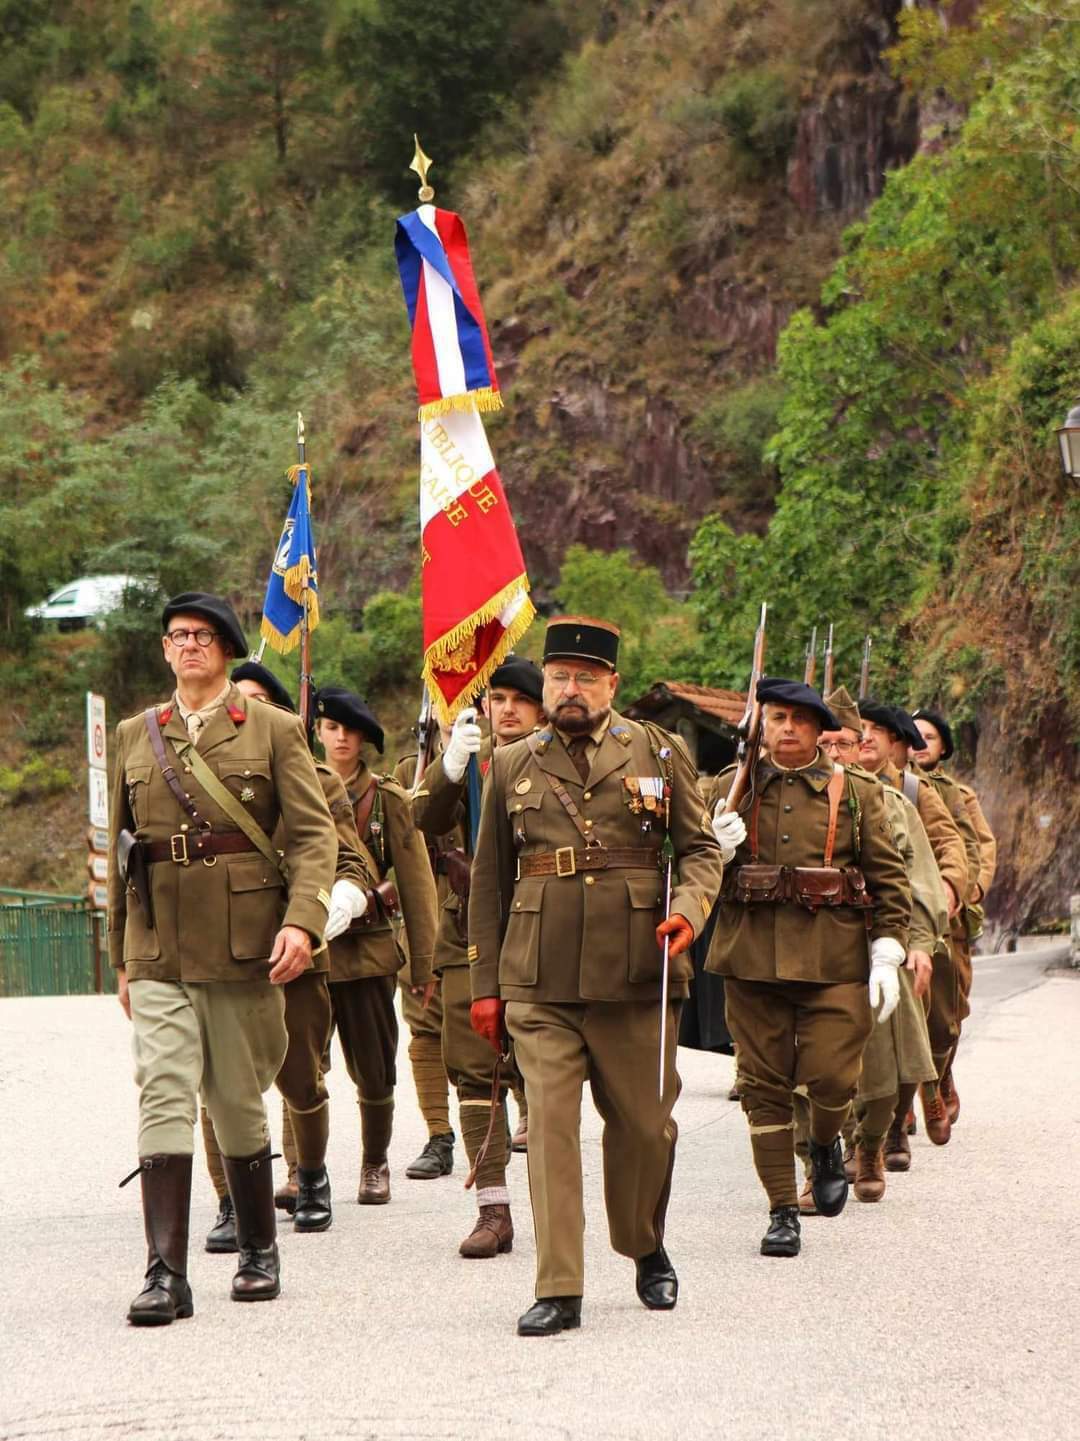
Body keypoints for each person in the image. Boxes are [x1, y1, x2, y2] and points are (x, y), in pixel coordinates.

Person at [468, 617, 724, 1336]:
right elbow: (489, 883)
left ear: (612, 684)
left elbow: (702, 851)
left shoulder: (656, 750)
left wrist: (690, 912)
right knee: (549, 1127)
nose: (570, 690)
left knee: (646, 1128)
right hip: (540, 976)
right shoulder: (514, 762)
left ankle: (643, 1242)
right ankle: (560, 1284)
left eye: (585, 677)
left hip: (639, 972)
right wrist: (485, 984)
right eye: (559, 677)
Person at [108, 593, 337, 1325]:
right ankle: (165, 1272)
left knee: (237, 1100)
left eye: (203, 636)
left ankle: (259, 1248)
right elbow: (122, 851)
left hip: (244, 947)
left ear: (228, 648)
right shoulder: (134, 735)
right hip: (159, 947)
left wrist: (304, 922)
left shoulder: (271, 728)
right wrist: (121, 954)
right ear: (165, 650)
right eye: (177, 636)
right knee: (163, 1091)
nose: (189, 647)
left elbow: (311, 838)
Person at [702, 679, 911, 1259]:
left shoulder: (860, 793)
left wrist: (888, 949)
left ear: (821, 730)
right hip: (751, 959)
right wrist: (711, 849)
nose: (787, 728)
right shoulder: (729, 789)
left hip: (834, 959)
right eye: (775, 717)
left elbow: (889, 880)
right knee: (763, 1090)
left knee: (833, 1079)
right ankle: (781, 1210)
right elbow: (690, 872)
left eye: (799, 718)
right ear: (759, 726)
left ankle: (823, 1146)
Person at [199, 661, 378, 1248]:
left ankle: (311, 1176)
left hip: (294, 947)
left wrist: (332, 907)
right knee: (218, 1082)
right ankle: (230, 1200)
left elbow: (349, 859)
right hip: (219, 948)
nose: (239, 712)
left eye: (252, 702)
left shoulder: (318, 780)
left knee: (301, 1076)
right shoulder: (190, 768)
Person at [410, 655, 544, 1259]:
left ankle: (553, 1201)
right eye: (498, 699)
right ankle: (493, 1207)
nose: (507, 709)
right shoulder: (470, 764)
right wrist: (451, 765)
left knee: (545, 1068)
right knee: (470, 1069)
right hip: (468, 932)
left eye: (521, 699)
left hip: (543, 931)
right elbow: (425, 818)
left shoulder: (557, 763)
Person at [315, 685, 438, 1204]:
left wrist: (424, 965)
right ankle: (305, 1169)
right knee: (302, 1066)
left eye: (350, 730)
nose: (341, 738)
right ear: (317, 731)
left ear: (364, 738)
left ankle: (374, 1163)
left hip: (366, 952)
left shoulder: (385, 797)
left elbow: (416, 881)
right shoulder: (296, 785)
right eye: (331, 727)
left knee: (374, 1067)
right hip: (310, 952)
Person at [857, 700, 969, 1146]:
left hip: (922, 922)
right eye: (855, 730)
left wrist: (950, 888)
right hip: (860, 924)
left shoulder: (912, 790)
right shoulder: (838, 786)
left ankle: (933, 1083)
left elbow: (953, 844)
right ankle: (888, 1132)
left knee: (939, 1022)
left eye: (872, 731)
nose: (861, 738)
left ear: (894, 742)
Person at [911, 707, 998, 1122]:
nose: (919, 743)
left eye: (929, 737)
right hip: (906, 912)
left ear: (943, 746)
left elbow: (981, 847)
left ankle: (942, 1074)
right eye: (912, 735)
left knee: (949, 1010)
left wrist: (970, 889)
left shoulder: (958, 794)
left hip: (953, 917)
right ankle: (898, 1105)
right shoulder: (893, 788)